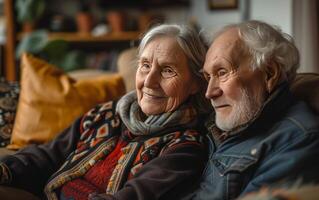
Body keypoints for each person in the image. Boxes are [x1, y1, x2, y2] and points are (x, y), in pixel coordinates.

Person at [0, 24, 212, 200]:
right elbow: (48, 154)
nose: (149, 81)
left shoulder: (185, 147)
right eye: (145, 65)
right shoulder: (108, 112)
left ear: (195, 82)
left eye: (167, 70)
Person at [191, 20, 319, 200]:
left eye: (222, 72)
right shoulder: (218, 122)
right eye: (208, 76)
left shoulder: (298, 141)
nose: (209, 93)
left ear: (269, 74)